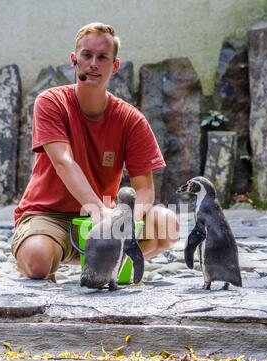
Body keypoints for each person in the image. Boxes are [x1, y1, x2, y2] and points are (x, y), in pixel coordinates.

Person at [11, 22, 179, 282]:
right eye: (87, 55)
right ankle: (59, 254)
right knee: (37, 260)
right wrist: (99, 210)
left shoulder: (131, 119)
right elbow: (63, 162)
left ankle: (109, 266)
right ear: (74, 60)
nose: (93, 63)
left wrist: (123, 223)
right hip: (48, 214)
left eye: (102, 57)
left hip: (103, 224)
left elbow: (144, 189)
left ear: (115, 65)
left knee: (167, 224)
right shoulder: (51, 102)